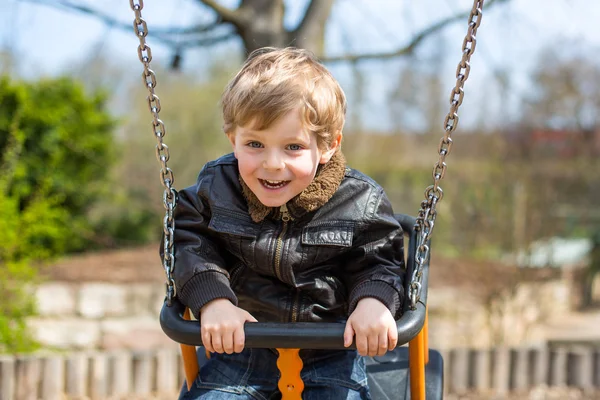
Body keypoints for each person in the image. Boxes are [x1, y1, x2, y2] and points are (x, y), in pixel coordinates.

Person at [172, 47, 406, 400]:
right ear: (233, 139)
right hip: (242, 347)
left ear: (328, 145)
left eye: (293, 147)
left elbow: (379, 261)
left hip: (332, 349)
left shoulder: (360, 201)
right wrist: (214, 300)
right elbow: (188, 242)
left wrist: (374, 301)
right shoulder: (216, 188)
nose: (272, 164)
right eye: (255, 143)